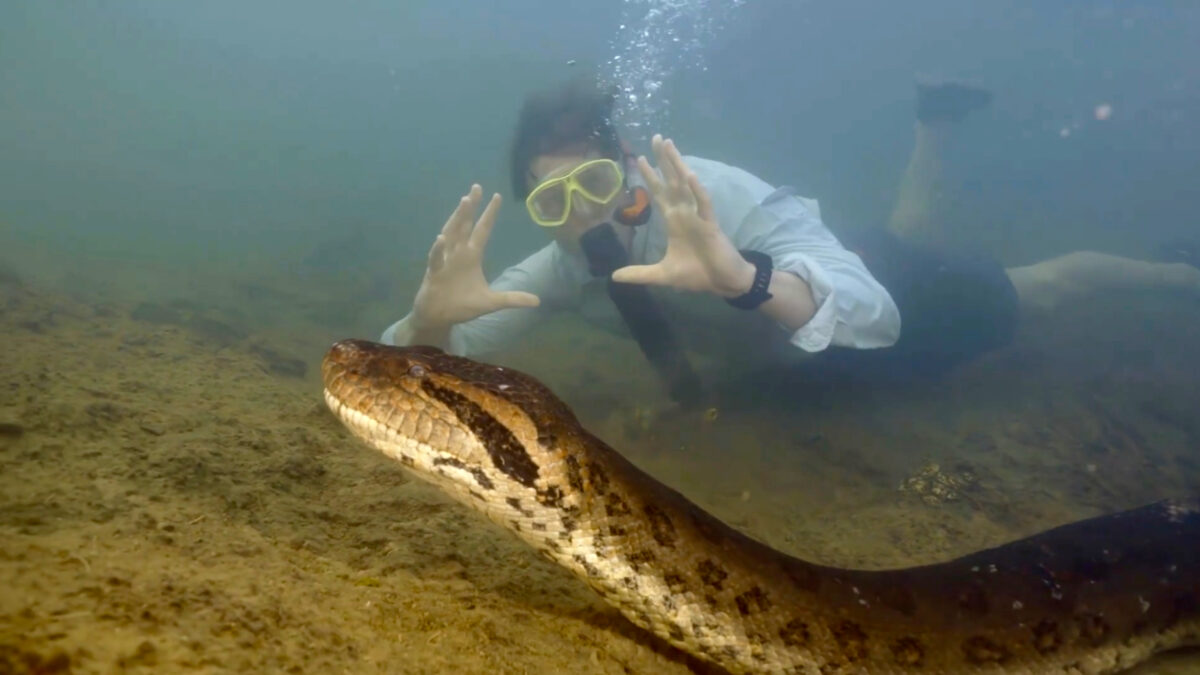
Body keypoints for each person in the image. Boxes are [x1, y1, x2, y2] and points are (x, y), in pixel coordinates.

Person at [380, 76, 1200, 392]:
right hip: (812, 337)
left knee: (1046, 287)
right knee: (907, 227)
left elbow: (874, 310)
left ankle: (1182, 277)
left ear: (628, 165)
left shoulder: (717, 202)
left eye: (593, 185)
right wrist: (429, 321)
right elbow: (414, 357)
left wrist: (744, 279)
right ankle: (935, 124)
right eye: (552, 202)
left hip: (881, 291)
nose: (584, 218)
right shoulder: (563, 267)